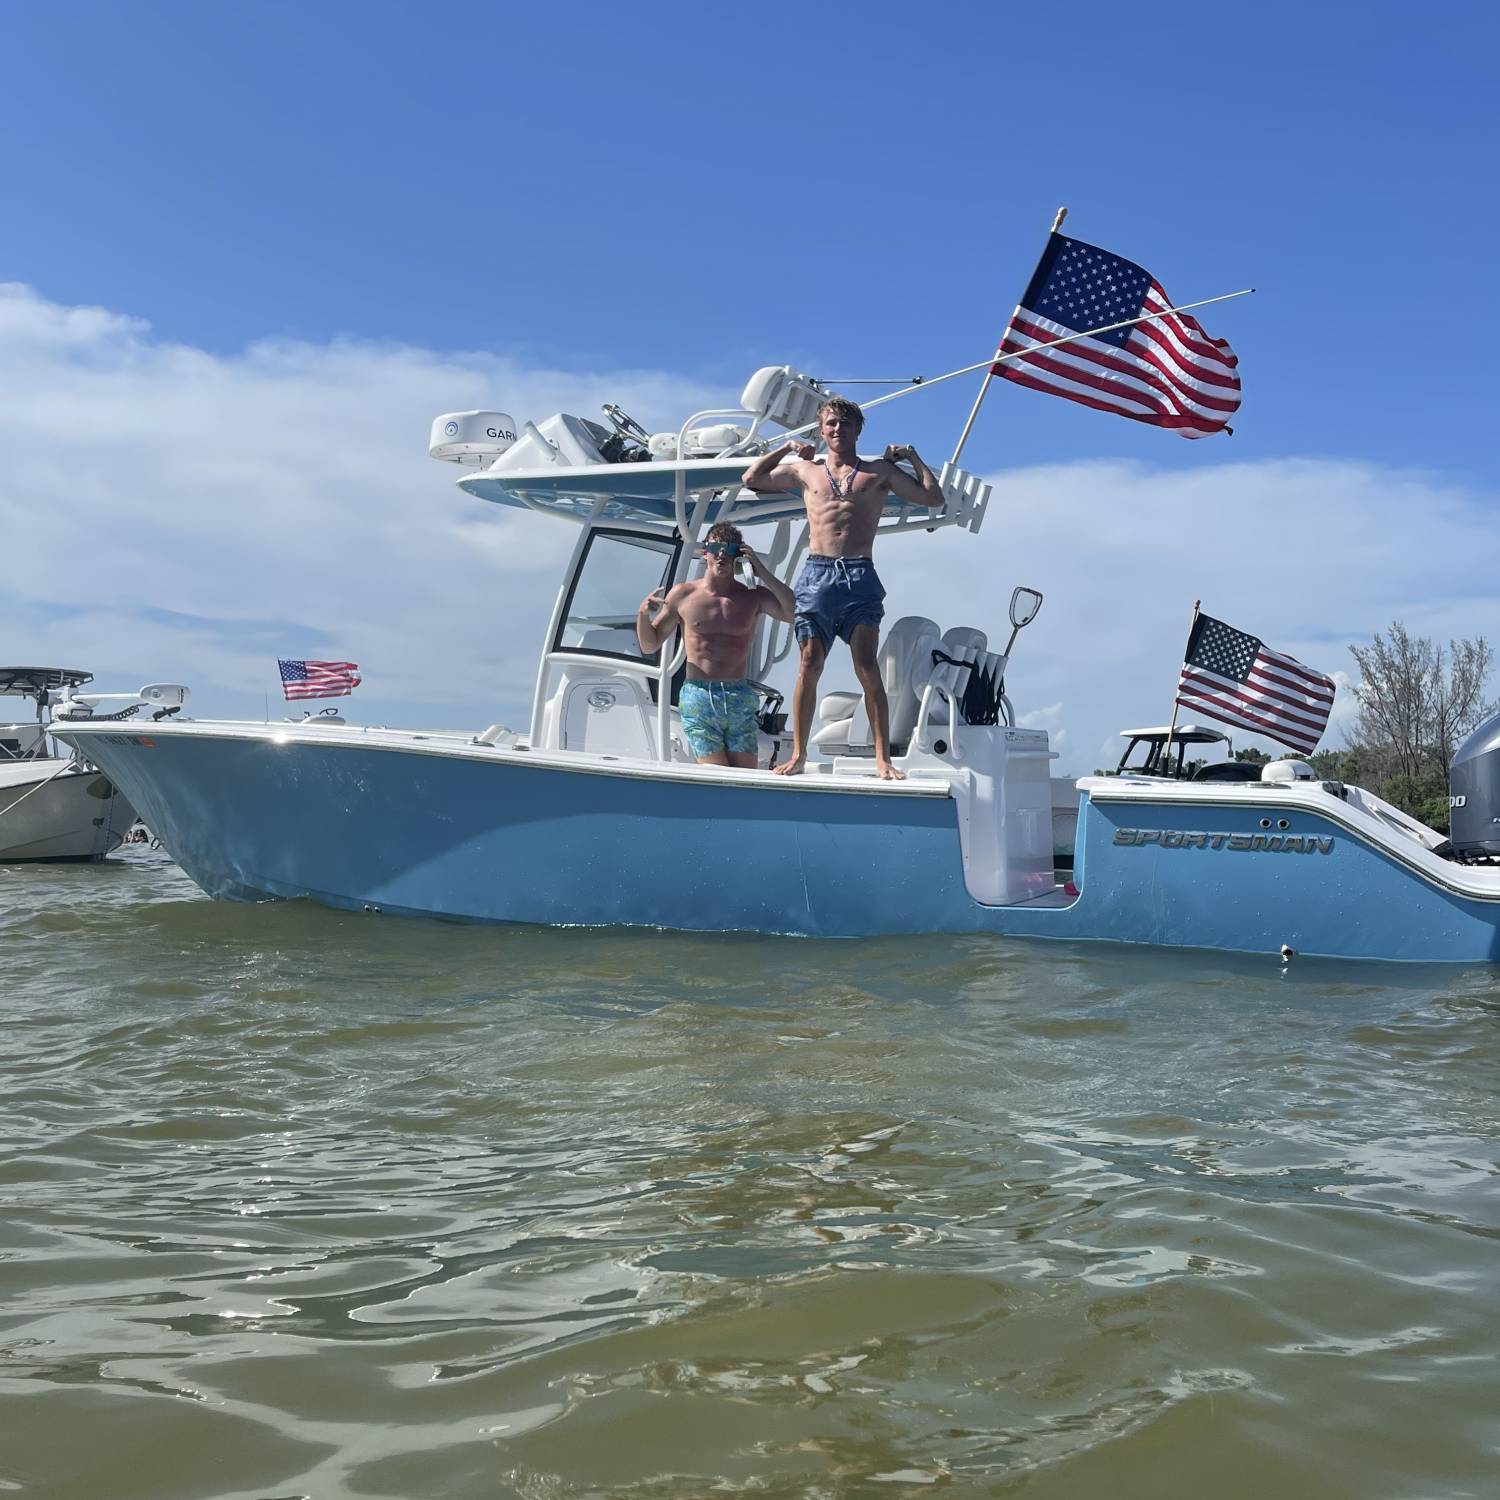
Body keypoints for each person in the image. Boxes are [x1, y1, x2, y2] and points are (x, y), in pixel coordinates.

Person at [741, 396, 945, 778]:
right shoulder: (805, 471)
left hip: (859, 575)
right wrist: (785, 446)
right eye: (831, 424)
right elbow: (751, 479)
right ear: (821, 430)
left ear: (858, 430)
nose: (838, 430)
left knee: (867, 667)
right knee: (809, 664)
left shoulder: (878, 471)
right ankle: (799, 755)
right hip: (817, 576)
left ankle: (883, 760)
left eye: (846, 424)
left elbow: (933, 497)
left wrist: (913, 457)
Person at [635, 521, 796, 768]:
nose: (722, 553)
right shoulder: (683, 595)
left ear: (738, 555)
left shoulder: (753, 597)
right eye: (717, 547)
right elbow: (650, 644)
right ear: (705, 552)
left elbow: (793, 612)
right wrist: (642, 615)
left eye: (730, 549)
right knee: (716, 773)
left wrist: (761, 571)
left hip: (738, 696)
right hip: (699, 696)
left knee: (744, 780)